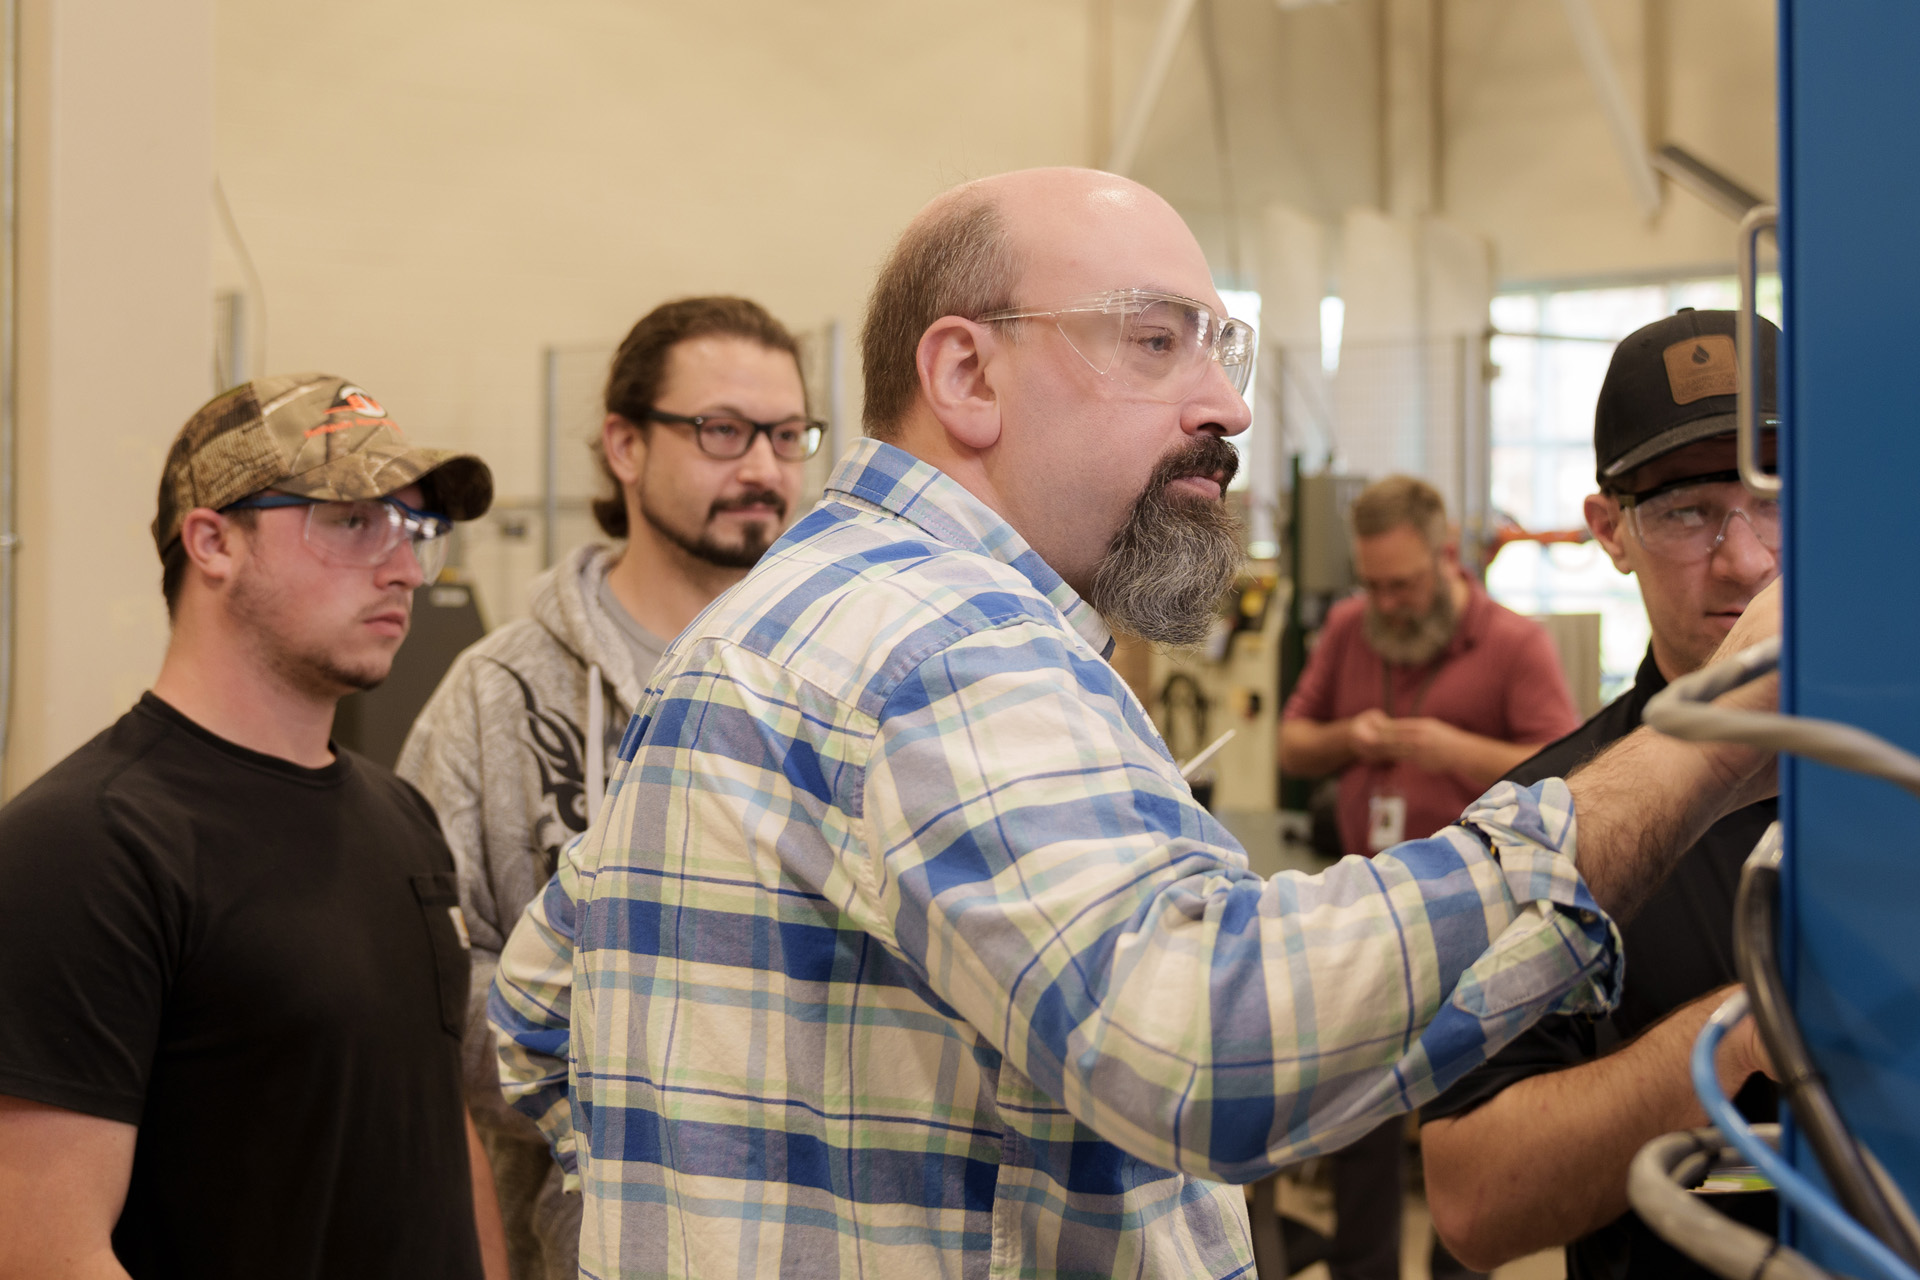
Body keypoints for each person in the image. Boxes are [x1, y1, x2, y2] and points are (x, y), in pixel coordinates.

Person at [489, 169, 1780, 1279]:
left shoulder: (768, 627)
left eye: (1223, 349)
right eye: (1157, 343)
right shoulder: (942, 645)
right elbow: (1206, 1049)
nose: (1227, 407)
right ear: (965, 371)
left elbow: (540, 1017)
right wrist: (1712, 741)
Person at [0, 375, 509, 1279]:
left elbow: (441, 1130)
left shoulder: (402, 818)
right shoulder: (82, 848)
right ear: (212, 541)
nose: (401, 568)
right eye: (353, 523)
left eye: (415, 531)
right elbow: (44, 1252)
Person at [398, 296, 818, 1280]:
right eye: (722, 430)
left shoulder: (837, 673)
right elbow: (431, 979)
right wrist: (656, 1086)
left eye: (789, 434)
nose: (763, 465)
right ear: (624, 446)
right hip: (584, 1236)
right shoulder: (499, 694)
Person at [1422, 309, 1784, 1280]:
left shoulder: (1895, 774)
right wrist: (1739, 1034)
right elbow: (1473, 1197)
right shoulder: (1549, 823)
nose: (1747, 560)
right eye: (1689, 511)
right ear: (1609, 530)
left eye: (1775, 497)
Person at [1278, 474, 1581, 1280]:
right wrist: (1352, 734)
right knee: (1354, 1134)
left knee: (1465, 1136)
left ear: (1447, 558)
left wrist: (1456, 752)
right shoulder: (1350, 628)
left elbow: (1568, 774)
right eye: (1373, 586)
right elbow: (1292, 744)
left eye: (1404, 585)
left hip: (1481, 932)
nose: (1389, 604)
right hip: (1366, 922)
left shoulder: (1514, 645)